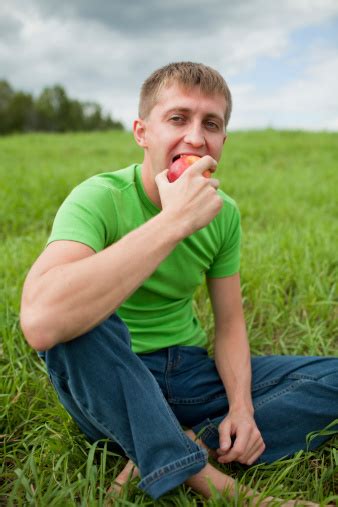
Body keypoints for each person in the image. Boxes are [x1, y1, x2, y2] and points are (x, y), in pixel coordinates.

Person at [20, 62, 338, 503]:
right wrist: (172, 223)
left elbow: (229, 324)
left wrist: (243, 408)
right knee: (75, 318)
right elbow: (40, 319)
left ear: (222, 141)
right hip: (111, 380)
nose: (194, 137)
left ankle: (192, 441)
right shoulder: (100, 197)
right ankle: (216, 484)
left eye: (211, 124)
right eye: (177, 118)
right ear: (142, 132)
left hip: (187, 372)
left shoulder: (223, 212)